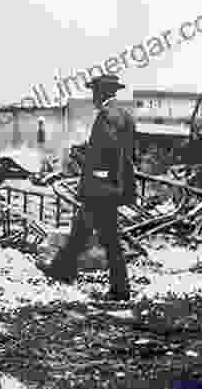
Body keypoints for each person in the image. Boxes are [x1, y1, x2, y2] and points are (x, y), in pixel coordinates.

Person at [39, 74, 136, 301]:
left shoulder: (108, 114)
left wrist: (101, 176)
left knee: (109, 238)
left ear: (101, 92)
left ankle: (120, 290)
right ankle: (63, 270)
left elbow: (111, 151)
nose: (92, 96)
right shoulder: (123, 114)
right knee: (81, 230)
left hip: (102, 189)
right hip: (108, 187)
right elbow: (123, 152)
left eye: (94, 91)